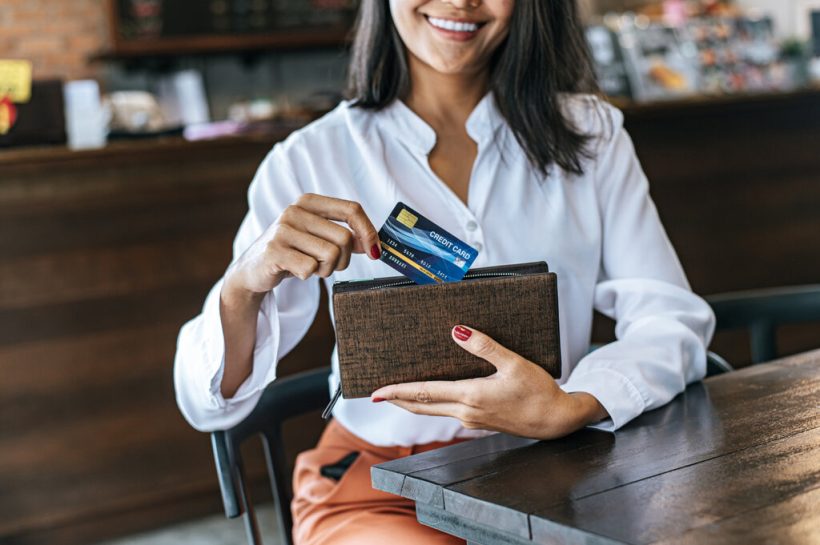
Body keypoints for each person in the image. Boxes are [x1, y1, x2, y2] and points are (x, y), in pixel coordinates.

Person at [174, 0, 716, 543]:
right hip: (385, 487)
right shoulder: (310, 159)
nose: (460, 2)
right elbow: (208, 402)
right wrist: (243, 286)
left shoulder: (591, 133)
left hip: (559, 473)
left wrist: (572, 407)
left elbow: (670, 319)